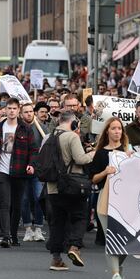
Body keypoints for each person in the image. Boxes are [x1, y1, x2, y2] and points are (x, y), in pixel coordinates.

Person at [46, 111, 95, 270]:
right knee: (80, 217)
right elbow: (80, 159)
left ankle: (56, 259)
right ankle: (74, 247)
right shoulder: (72, 136)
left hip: (53, 187)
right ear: (73, 123)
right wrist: (93, 153)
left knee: (57, 222)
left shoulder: (49, 137)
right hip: (72, 185)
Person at [90, 117, 130, 279]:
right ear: (107, 131)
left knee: (127, 240)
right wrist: (105, 172)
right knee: (111, 238)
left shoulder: (128, 151)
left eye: (119, 128)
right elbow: (92, 178)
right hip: (105, 200)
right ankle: (115, 274)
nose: (116, 131)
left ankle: (118, 266)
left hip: (126, 201)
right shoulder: (100, 153)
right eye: (113, 128)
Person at [0, 98, 37, 247]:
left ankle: (13, 235)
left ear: (18, 110)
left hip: (19, 170)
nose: (11, 111)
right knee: (5, 203)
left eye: (14, 108)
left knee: (17, 205)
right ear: (5, 110)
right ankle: (5, 237)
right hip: (2, 171)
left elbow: (34, 150)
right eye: (9, 108)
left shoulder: (26, 129)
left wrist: (31, 164)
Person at [19, 103, 46, 242]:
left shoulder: (42, 128)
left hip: (37, 170)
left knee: (38, 198)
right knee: (24, 200)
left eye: (31, 111)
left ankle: (39, 228)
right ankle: (28, 229)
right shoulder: (18, 128)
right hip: (22, 169)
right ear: (21, 113)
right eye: (26, 112)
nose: (29, 114)